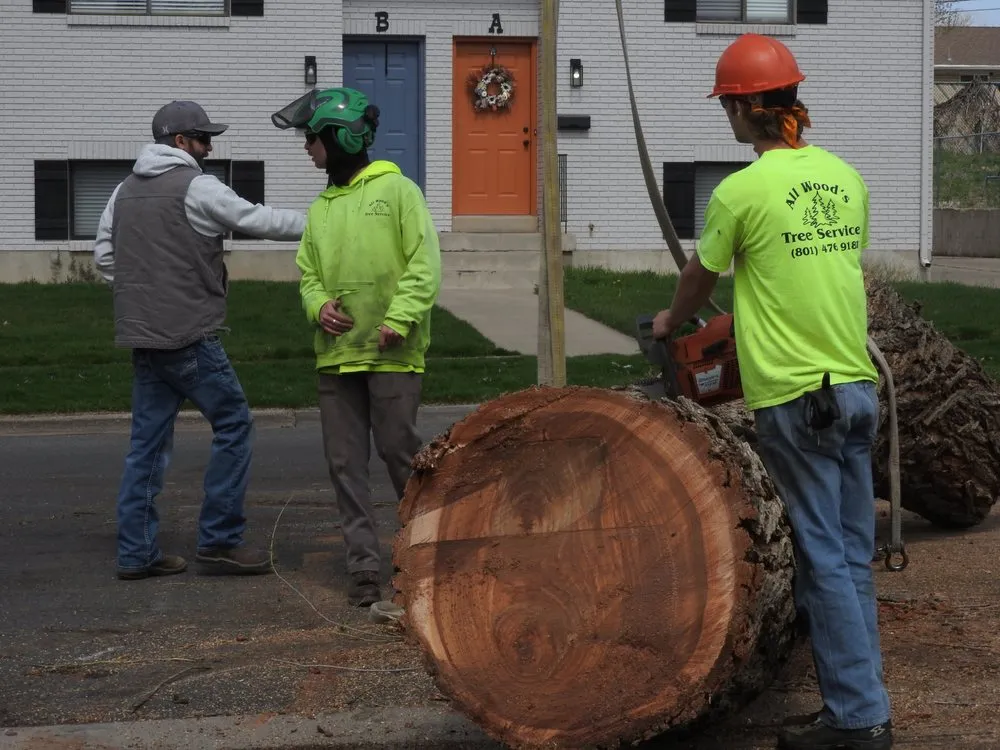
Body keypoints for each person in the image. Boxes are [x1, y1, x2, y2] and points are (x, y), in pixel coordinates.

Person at [650, 35, 892, 750]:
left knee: (822, 557)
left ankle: (859, 720)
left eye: (728, 102)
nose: (726, 113)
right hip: (853, 388)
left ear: (749, 106)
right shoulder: (847, 179)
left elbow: (702, 275)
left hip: (798, 396)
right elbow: (819, 272)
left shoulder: (741, 191)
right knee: (851, 556)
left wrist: (671, 320)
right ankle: (863, 701)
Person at [94, 100, 306, 581]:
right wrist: (326, 221)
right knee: (234, 425)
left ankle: (136, 553)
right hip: (189, 336)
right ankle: (220, 540)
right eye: (204, 138)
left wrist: (147, 290)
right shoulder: (198, 186)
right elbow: (257, 220)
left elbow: (105, 257)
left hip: (145, 339)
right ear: (180, 142)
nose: (210, 146)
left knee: (146, 446)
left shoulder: (122, 192)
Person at [271, 88, 441, 607]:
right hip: (337, 356)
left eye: (312, 137)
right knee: (345, 464)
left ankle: (429, 555)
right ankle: (365, 567)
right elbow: (308, 276)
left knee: (400, 454)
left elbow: (424, 263)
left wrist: (401, 316)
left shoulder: (398, 191)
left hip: (393, 351)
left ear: (341, 138)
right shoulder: (320, 209)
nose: (307, 146)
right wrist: (317, 305)